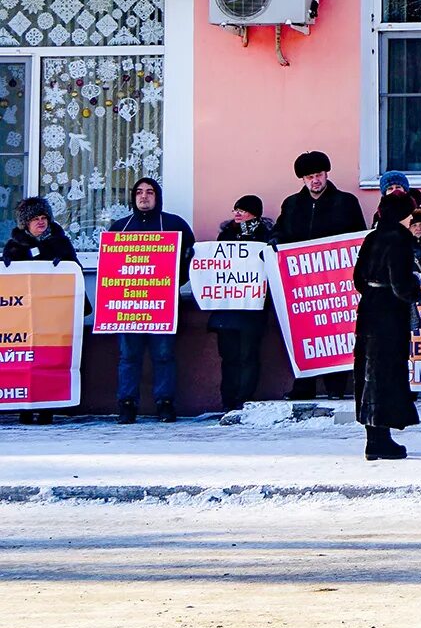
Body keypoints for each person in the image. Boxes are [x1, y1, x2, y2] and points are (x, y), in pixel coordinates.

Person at [277, 151, 366, 399]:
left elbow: (358, 239)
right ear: (302, 179)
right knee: (303, 330)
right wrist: (275, 242)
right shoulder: (292, 204)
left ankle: (335, 387)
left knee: (335, 329)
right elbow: (281, 233)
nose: (315, 180)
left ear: (327, 174)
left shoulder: (346, 202)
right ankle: (303, 385)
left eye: (318, 175)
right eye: (309, 176)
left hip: (336, 281)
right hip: (300, 281)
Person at [107, 177, 195, 424]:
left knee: (164, 355)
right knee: (128, 357)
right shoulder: (120, 228)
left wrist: (172, 283)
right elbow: (111, 267)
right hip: (128, 307)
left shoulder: (173, 225)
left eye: (149, 192)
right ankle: (126, 405)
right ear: (133, 197)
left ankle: (165, 403)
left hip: (162, 306)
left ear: (157, 196)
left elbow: (190, 257)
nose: (144, 196)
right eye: (139, 192)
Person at [353, 193, 421, 460]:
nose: (411, 219)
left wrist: (373, 291)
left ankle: (374, 439)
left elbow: (358, 279)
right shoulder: (399, 240)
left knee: (369, 375)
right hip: (389, 317)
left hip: (369, 311)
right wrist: (416, 289)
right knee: (387, 374)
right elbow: (401, 285)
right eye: (409, 213)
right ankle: (382, 441)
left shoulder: (371, 237)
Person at [5, 196, 78, 425]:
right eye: (35, 218)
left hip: (53, 318)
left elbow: (75, 271)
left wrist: (64, 263)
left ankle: (47, 407)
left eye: (44, 218)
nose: (40, 222)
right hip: (22, 321)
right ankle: (25, 408)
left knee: (49, 358)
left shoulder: (61, 243)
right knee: (25, 359)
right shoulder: (14, 247)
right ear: (25, 223)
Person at [210, 196, 274, 413]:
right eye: (236, 209)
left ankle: (244, 398)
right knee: (228, 356)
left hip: (252, 307)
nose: (237, 214)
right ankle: (228, 400)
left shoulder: (265, 236)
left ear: (255, 214)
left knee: (248, 355)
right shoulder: (225, 235)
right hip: (227, 307)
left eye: (243, 210)